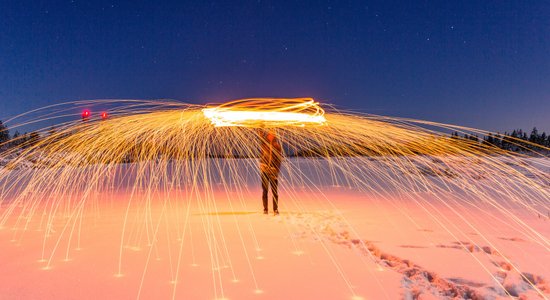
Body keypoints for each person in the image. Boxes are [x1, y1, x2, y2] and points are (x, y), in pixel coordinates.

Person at [259, 128, 283, 215]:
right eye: (270, 133)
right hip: (264, 170)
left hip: (273, 171)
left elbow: (279, 160)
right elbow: (260, 135)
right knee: (265, 190)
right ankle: (265, 209)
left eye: (273, 133)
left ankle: (275, 209)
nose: (271, 135)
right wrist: (260, 126)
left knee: (274, 191)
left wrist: (276, 170)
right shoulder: (264, 144)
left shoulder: (277, 146)